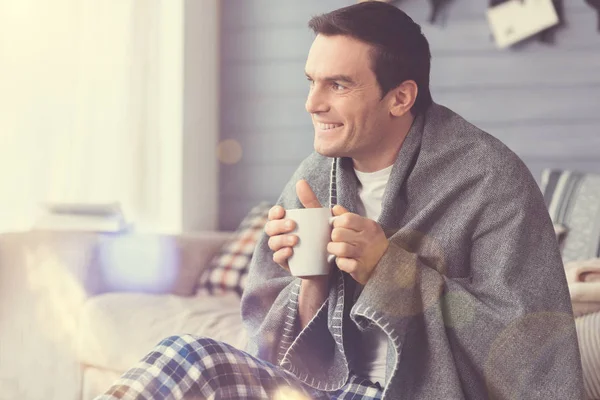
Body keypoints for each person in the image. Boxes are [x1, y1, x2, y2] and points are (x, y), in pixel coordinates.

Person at [96, 2, 584, 399]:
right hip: (325, 391)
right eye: (312, 81)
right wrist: (311, 281)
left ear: (400, 97)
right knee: (186, 356)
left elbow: (529, 354)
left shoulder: (490, 179)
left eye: (339, 84)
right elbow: (271, 347)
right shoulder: (315, 175)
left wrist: (388, 270)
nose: (312, 103)